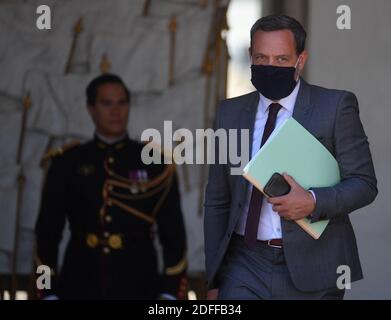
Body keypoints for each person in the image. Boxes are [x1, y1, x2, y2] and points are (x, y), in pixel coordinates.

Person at [204, 14, 377, 300]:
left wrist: (312, 201)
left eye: (282, 59)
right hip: (244, 264)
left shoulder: (335, 107)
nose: (270, 67)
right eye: (262, 58)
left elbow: (364, 184)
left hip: (315, 264)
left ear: (300, 60)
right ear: (250, 56)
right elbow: (217, 199)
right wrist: (213, 278)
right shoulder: (229, 113)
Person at [35, 74, 187, 300]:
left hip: (139, 285)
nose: (115, 111)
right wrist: (46, 292)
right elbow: (47, 234)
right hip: (78, 283)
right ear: (91, 108)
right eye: (106, 103)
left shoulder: (155, 163)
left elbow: (173, 235)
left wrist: (169, 294)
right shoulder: (67, 162)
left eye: (122, 103)